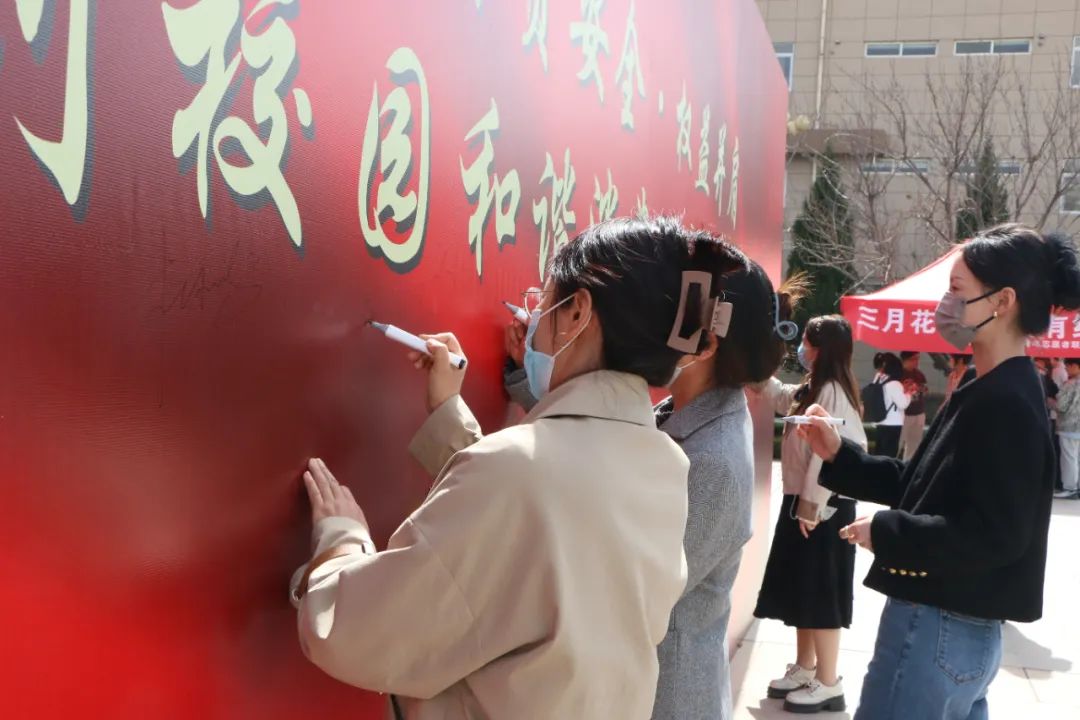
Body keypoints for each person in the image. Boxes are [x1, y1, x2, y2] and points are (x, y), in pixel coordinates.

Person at [289, 219, 698, 719]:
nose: (534, 316)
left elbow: (354, 631)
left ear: (577, 313)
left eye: (545, 299)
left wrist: (341, 540)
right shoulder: (663, 463)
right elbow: (541, 524)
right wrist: (450, 415)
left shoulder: (519, 473)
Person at [507, 219, 804, 720]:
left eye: (673, 311)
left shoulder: (713, 462)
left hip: (665, 700)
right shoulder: (681, 411)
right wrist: (534, 373)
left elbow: (630, 591)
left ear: (704, 346)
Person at [798, 223, 1080, 719]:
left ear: (1002, 301)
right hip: (952, 630)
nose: (945, 304)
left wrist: (888, 531)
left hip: (938, 627)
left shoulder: (1007, 400)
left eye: (956, 289)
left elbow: (996, 535)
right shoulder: (986, 384)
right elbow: (920, 483)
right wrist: (840, 454)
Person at [754, 315, 869, 714]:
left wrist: (810, 507)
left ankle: (828, 682)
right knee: (804, 590)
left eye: (806, 342)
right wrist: (751, 369)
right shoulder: (815, 387)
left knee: (821, 594)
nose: (801, 348)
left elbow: (828, 459)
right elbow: (783, 396)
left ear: (820, 349)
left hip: (822, 509)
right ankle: (806, 667)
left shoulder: (833, 392)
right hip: (805, 504)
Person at [870, 353, 910, 459]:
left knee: (879, 454)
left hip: (880, 422)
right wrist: (909, 393)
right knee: (889, 456)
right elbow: (903, 404)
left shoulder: (877, 380)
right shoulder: (895, 384)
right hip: (893, 424)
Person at [1055, 357, 1080, 500]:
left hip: (1069, 427)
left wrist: (1051, 401)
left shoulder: (1070, 384)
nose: (1066, 370)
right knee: (1077, 458)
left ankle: (1070, 488)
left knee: (1069, 458)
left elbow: (1061, 406)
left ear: (1075, 366)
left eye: (1068, 367)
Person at [899, 351, 929, 461]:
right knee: (898, 444)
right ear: (905, 360)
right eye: (914, 359)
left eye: (918, 358)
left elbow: (925, 390)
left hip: (919, 414)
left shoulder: (919, 374)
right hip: (903, 415)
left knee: (914, 446)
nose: (917, 362)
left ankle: (907, 465)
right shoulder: (898, 374)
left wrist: (920, 389)